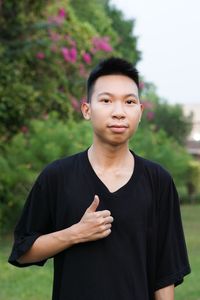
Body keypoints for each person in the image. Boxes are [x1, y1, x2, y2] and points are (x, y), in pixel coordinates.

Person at [9, 57, 190, 300]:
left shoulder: (158, 181)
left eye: (129, 102)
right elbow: (23, 252)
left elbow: (166, 271)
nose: (118, 112)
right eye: (106, 100)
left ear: (140, 112)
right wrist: (75, 233)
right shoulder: (57, 177)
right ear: (87, 109)